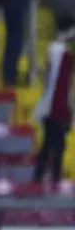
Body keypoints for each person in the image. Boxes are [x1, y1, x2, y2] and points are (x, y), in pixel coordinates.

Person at [32, 18, 75, 184]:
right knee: (49, 147)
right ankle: (38, 180)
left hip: (63, 108)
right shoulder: (56, 51)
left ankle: (52, 180)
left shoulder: (66, 57)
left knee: (58, 149)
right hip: (53, 107)